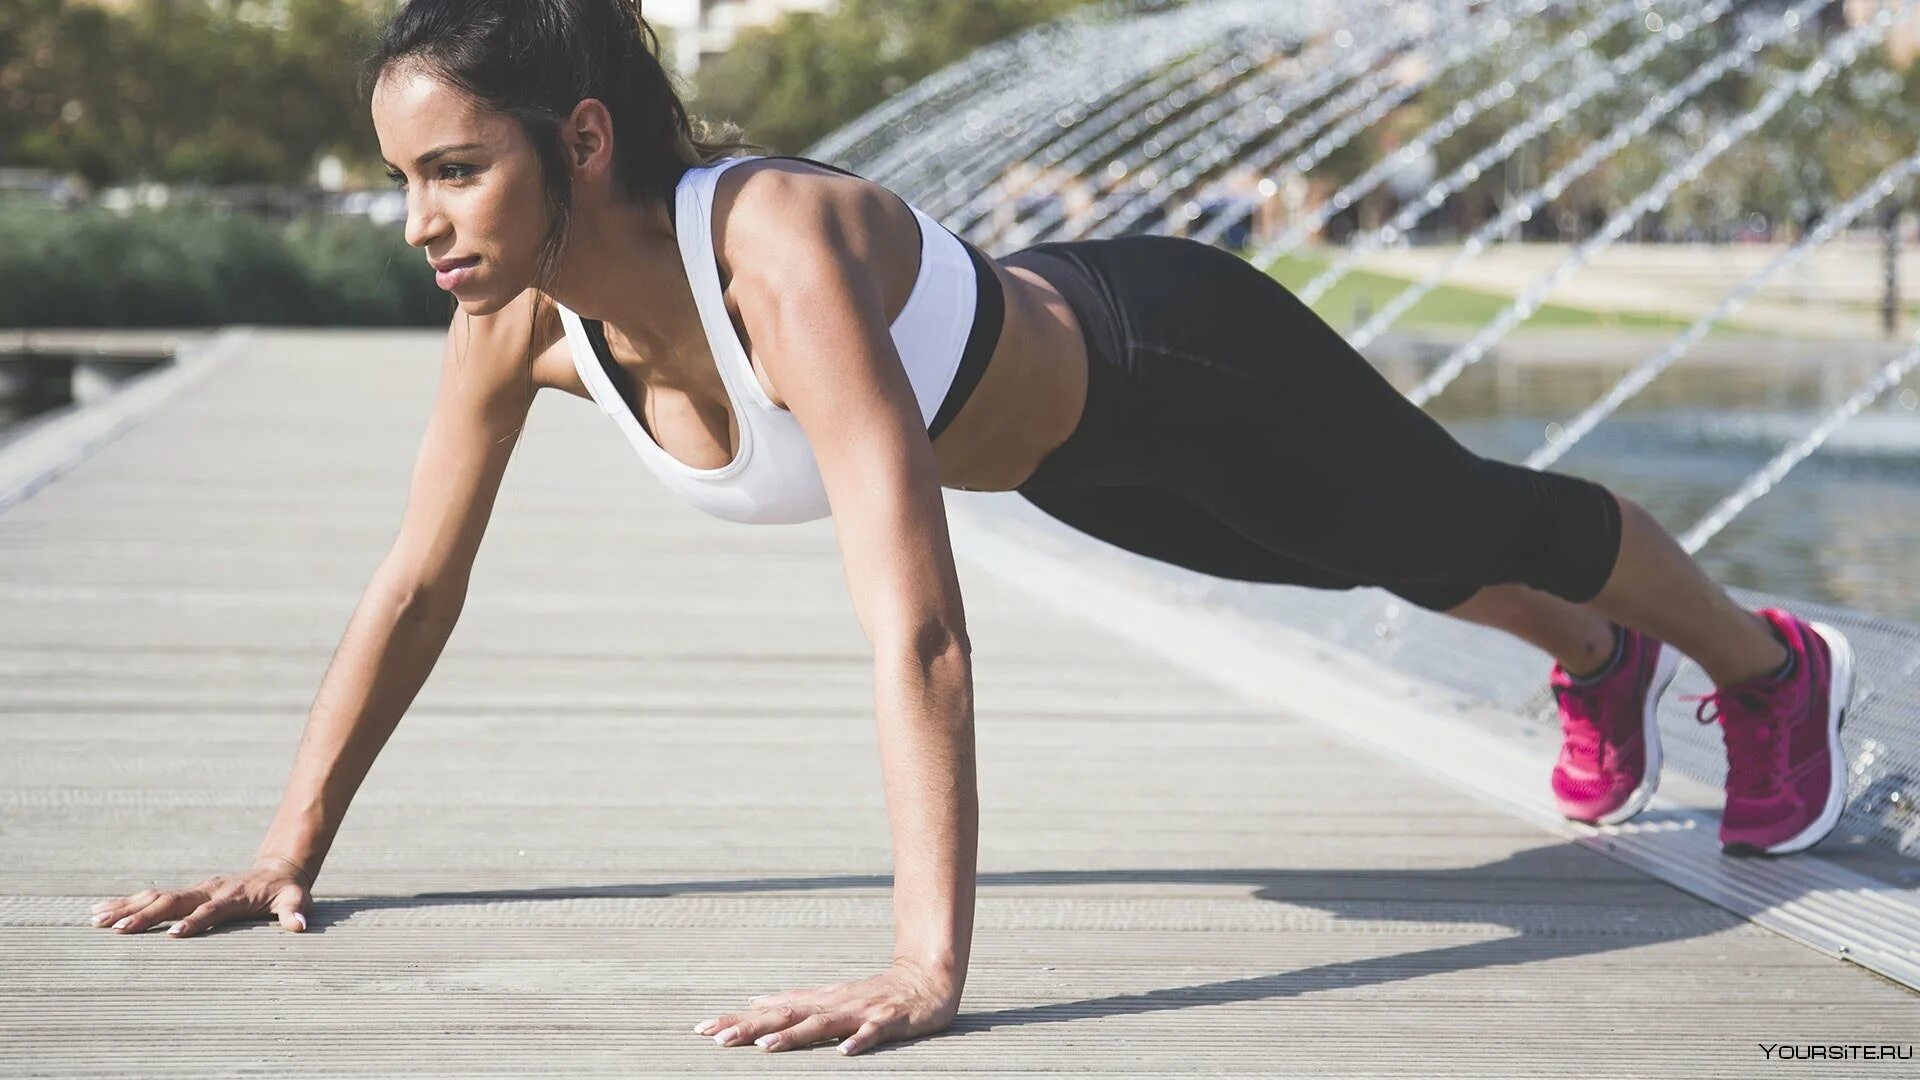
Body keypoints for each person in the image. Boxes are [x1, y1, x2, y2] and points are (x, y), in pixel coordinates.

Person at [87, 0, 1856, 1058]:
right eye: (404, 180)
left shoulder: (778, 250)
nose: (421, 221)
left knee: (1459, 517)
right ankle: (1607, 661)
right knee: (1365, 556)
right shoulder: (515, 329)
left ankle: (1764, 668)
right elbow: (417, 580)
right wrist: (285, 847)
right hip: (1074, 462)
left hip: (1179, 353)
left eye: (452, 169)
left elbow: (914, 626)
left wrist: (933, 962)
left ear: (582, 137)